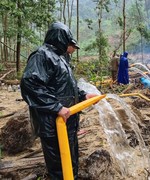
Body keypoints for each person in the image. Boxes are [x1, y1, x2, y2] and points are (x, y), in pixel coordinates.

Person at [20, 22, 98, 179]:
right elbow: (30, 84)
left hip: (67, 118)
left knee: (71, 156)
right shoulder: (42, 55)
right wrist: (56, 107)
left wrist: (83, 95)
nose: (72, 49)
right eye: (71, 45)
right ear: (61, 40)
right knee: (58, 162)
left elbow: (66, 85)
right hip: (52, 120)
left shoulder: (61, 58)